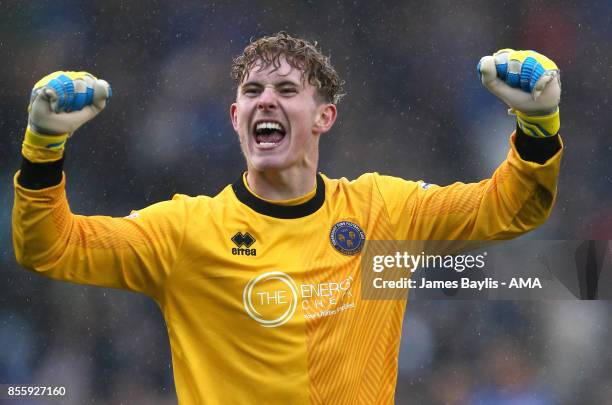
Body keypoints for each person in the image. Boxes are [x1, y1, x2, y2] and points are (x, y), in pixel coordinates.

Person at [12, 32, 562, 404]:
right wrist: (43, 148)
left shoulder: (383, 210)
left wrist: (538, 125)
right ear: (235, 118)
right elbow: (49, 247)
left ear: (325, 116)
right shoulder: (183, 231)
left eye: (285, 90)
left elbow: (509, 208)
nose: (265, 101)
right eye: (252, 91)